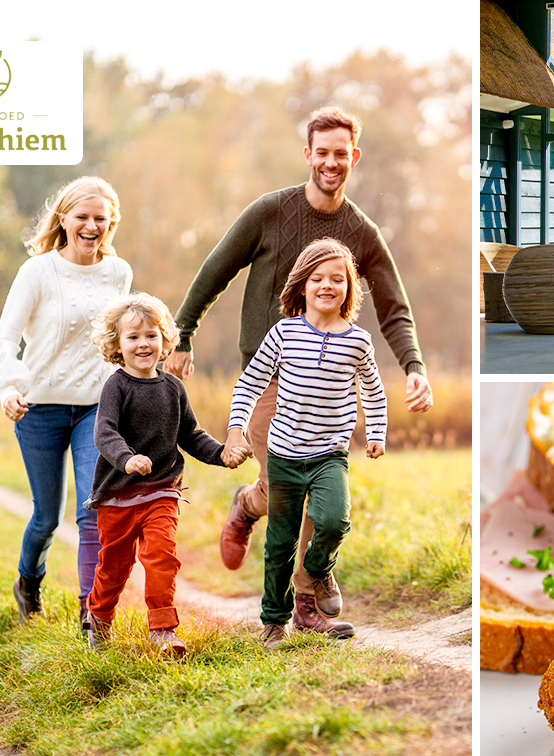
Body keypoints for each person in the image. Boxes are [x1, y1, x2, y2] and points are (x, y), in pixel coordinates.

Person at [164, 106, 430, 638]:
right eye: (322, 153)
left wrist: (414, 366)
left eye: (341, 155)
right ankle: (247, 505)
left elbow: (393, 306)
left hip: (331, 381)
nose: (331, 163)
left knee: (320, 493)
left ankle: (306, 603)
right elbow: (215, 269)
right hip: (269, 373)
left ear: (354, 158)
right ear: (309, 155)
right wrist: (183, 333)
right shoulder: (269, 211)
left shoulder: (361, 232)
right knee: (283, 486)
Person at [224, 238, 386, 650]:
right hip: (283, 455)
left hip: (330, 453)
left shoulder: (358, 341)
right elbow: (250, 383)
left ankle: (317, 572)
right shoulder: (284, 333)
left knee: (334, 520)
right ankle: (274, 622)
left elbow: (374, 391)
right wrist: (236, 428)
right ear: (302, 285)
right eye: (317, 278)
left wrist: (377, 433)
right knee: (280, 541)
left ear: (350, 287)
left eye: (337, 279)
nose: (326, 286)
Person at [0, 176, 132, 627]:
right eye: (83, 217)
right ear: (64, 219)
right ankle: (28, 582)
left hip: (96, 406)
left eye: (100, 219)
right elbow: (6, 338)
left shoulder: (118, 272)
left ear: (110, 223)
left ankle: (92, 611)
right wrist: (10, 388)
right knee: (46, 518)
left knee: (92, 511)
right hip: (39, 408)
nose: (91, 226)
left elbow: (119, 338)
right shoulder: (37, 271)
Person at [84, 293, 249, 655]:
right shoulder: (116, 386)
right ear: (116, 344)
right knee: (114, 567)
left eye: (151, 335)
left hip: (161, 492)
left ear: (164, 341)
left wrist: (223, 454)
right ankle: (98, 617)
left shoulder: (174, 388)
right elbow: (104, 432)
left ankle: (162, 630)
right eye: (133, 337)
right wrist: (126, 459)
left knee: (162, 555)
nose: (143, 344)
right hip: (118, 495)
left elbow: (190, 435)